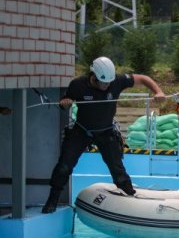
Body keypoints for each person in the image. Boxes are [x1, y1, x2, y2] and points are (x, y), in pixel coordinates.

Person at [41, 57, 166, 213]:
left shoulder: (117, 81)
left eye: (109, 83)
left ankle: (130, 196)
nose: (107, 85)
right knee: (64, 166)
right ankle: (52, 199)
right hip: (81, 130)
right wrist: (65, 102)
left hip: (106, 131)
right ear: (93, 76)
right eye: (103, 82)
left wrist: (158, 91)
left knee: (118, 170)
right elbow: (67, 99)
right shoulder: (78, 84)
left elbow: (143, 78)